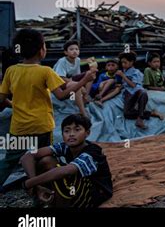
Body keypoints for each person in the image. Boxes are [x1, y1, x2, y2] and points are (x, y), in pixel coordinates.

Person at [0, 29, 95, 189]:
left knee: (9, 161)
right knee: (42, 159)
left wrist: (15, 106)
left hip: (19, 128)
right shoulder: (46, 71)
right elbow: (62, 95)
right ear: (41, 50)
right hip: (42, 127)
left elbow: (2, 100)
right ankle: (42, 191)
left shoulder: (11, 71)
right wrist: (84, 80)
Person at [20, 114, 113, 207]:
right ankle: (45, 196)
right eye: (67, 131)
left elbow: (67, 171)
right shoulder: (65, 146)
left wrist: (29, 183)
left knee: (59, 173)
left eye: (77, 130)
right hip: (76, 185)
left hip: (94, 193)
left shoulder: (93, 151)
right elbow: (27, 156)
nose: (71, 134)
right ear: (62, 134)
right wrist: (36, 186)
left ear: (87, 133)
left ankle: (60, 203)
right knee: (46, 161)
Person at [117, 51, 163, 129]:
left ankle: (140, 119)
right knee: (127, 114)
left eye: (125, 62)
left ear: (131, 62)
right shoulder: (124, 71)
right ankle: (151, 113)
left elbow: (133, 85)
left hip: (136, 91)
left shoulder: (136, 72)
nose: (123, 65)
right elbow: (124, 84)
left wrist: (123, 76)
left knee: (142, 93)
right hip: (128, 93)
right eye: (122, 63)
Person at [53, 40, 95, 117]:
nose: (75, 51)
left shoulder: (77, 60)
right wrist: (80, 85)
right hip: (59, 82)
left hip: (70, 80)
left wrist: (92, 65)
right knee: (76, 85)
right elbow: (60, 77)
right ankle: (83, 112)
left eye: (76, 49)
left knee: (90, 74)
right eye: (71, 49)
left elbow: (76, 75)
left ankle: (85, 96)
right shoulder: (62, 61)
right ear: (66, 52)